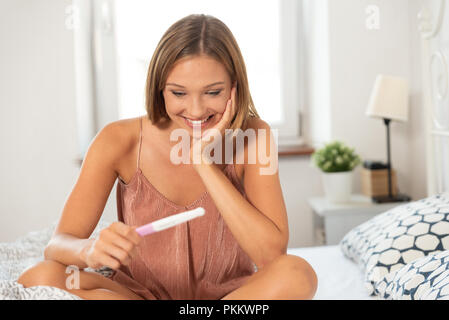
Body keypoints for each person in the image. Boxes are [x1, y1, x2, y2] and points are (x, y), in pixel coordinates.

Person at [18, 14, 317, 300]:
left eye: (213, 92)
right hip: (136, 294)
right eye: (179, 94)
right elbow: (57, 245)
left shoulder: (254, 136)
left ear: (234, 88)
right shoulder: (118, 139)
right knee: (40, 276)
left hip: (231, 295)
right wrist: (88, 250)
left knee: (298, 274)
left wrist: (204, 163)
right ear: (160, 87)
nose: (197, 110)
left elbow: (271, 256)